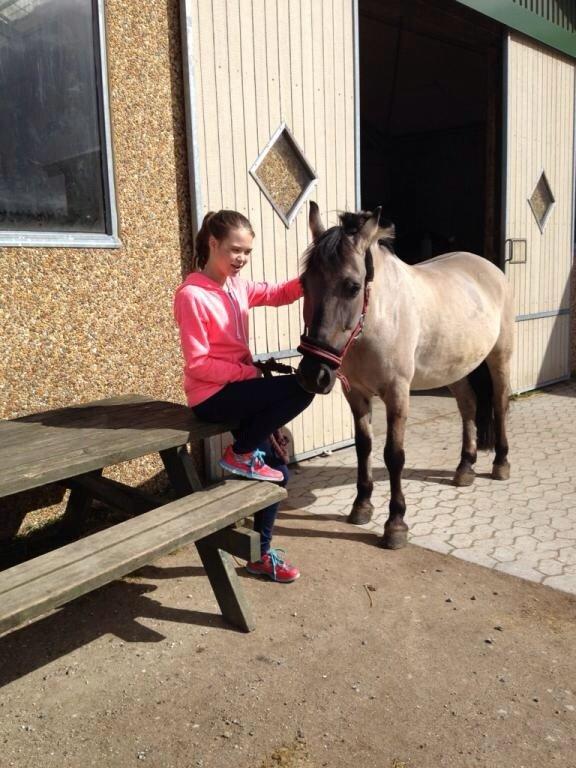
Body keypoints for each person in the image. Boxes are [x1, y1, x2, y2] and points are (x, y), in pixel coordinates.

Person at [174, 210, 314, 583]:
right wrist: (248, 373)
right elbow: (199, 364)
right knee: (302, 387)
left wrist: (320, 271)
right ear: (213, 243)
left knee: (278, 474)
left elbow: (279, 292)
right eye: (236, 250)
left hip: (239, 393)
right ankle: (240, 453)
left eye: (247, 252)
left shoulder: (238, 287)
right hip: (212, 396)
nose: (241, 259)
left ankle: (260, 556)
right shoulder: (191, 295)